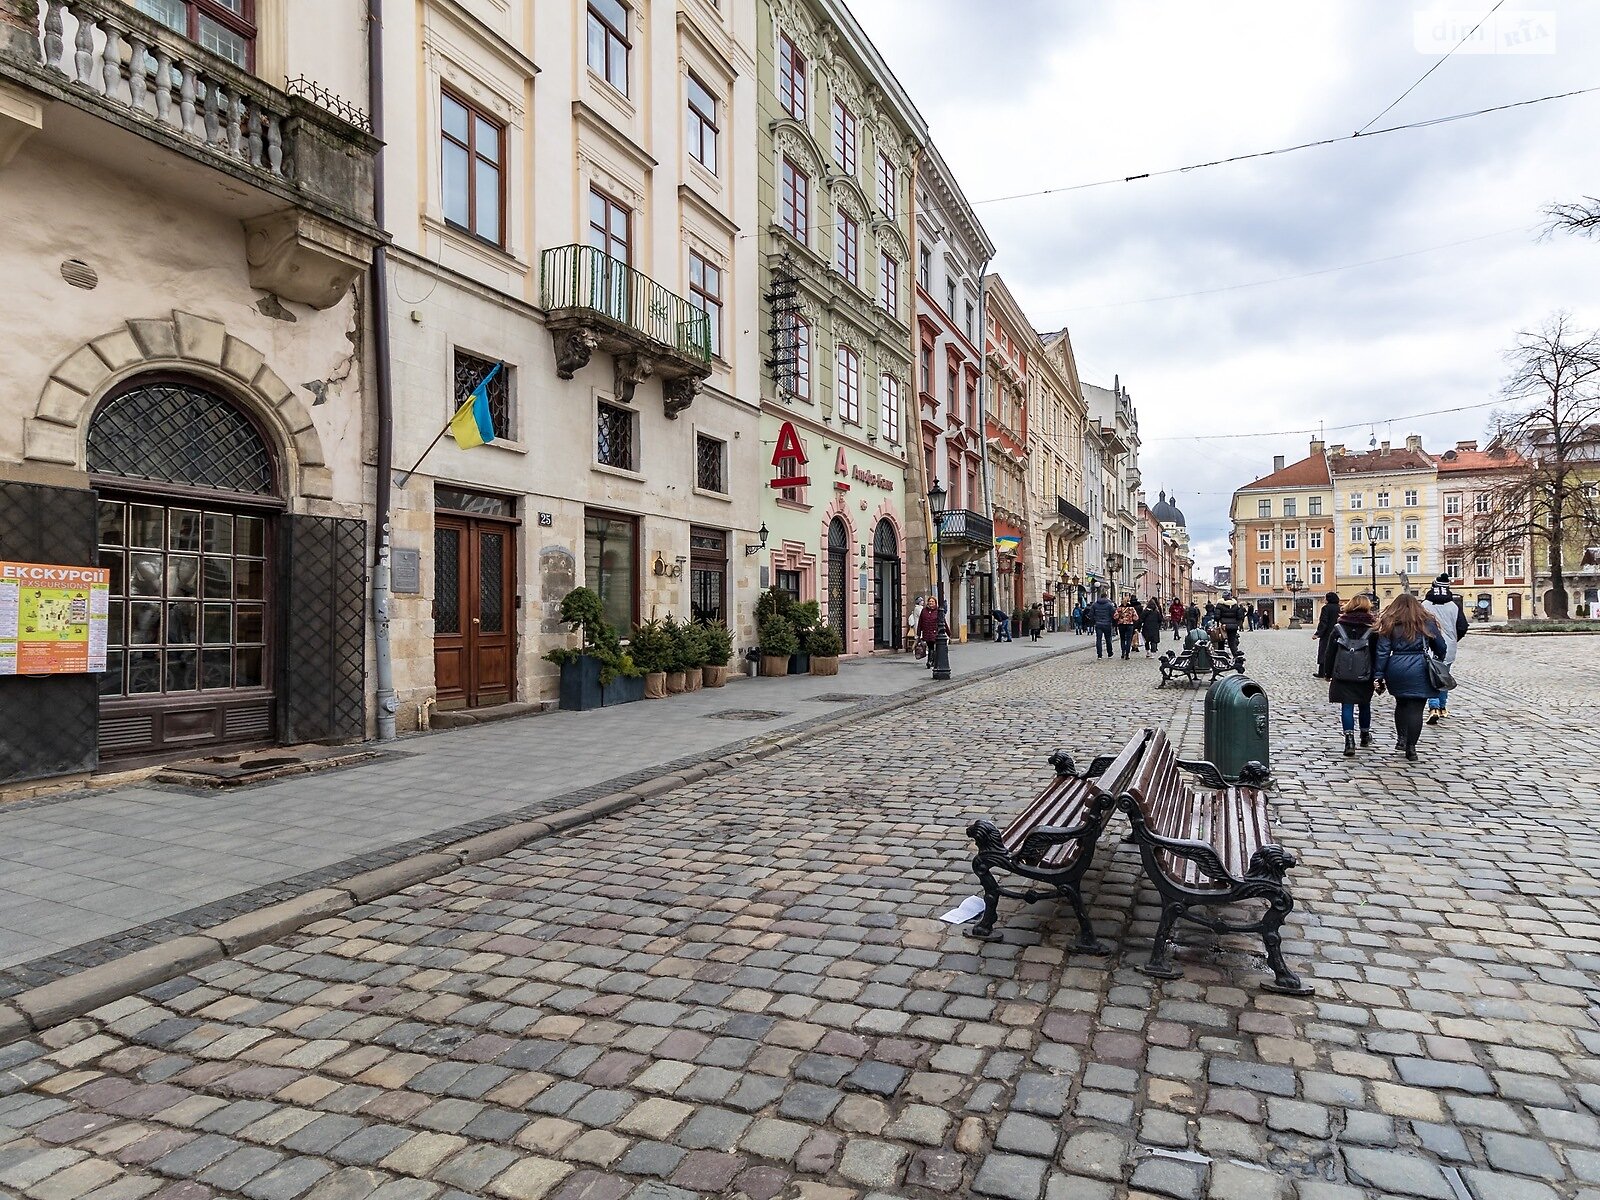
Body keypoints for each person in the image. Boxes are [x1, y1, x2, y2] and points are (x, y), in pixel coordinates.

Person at [1374, 593, 1447, 761]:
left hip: (1396, 666)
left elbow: (1383, 651)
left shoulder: (1390, 622)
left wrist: (1379, 674)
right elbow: (1441, 646)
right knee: (1416, 709)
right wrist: (1438, 660)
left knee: (1401, 703)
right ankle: (1411, 748)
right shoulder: (1426, 621)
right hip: (1419, 666)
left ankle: (1401, 739)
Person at [1327, 594, 1377, 757]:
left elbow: (1330, 653)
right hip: (1365, 672)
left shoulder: (1339, 627)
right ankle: (1364, 735)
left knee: (1347, 706)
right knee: (1364, 704)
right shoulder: (1372, 628)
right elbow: (1377, 653)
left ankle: (1349, 740)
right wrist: (1378, 674)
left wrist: (1328, 673)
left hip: (1342, 673)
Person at [1421, 573, 1468, 723]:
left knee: (1431, 677)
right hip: (1449, 647)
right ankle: (1442, 707)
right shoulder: (1454, 606)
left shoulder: (1424, 605)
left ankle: (1433, 706)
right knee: (1443, 676)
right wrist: (1454, 639)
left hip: (1428, 646)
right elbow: (1462, 627)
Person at [1312, 590, 1341, 679]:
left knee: (1324, 652)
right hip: (1338, 633)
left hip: (1327, 633)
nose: (1324, 599)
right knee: (1335, 652)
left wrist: (1317, 634)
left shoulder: (1326, 608)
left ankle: (1322, 672)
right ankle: (1334, 672)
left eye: (1325, 598)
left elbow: (1323, 622)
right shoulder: (1339, 608)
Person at [1214, 592, 1246, 657]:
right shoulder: (1235, 605)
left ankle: (1221, 655)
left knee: (1221, 640)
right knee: (1232, 641)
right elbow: (1239, 616)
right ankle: (1235, 654)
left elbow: (1217, 617)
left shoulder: (1219, 605)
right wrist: (1236, 623)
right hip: (1233, 626)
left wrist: (1218, 622)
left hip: (1223, 626)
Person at [919, 597, 947, 670]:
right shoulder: (924, 611)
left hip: (935, 632)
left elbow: (944, 622)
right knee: (930, 647)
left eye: (932, 601)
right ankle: (931, 661)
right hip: (927, 632)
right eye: (929, 601)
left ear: (935, 603)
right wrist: (919, 633)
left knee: (933, 647)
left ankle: (931, 661)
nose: (931, 603)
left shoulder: (938, 611)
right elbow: (920, 622)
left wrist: (948, 633)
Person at [1088, 591, 1116, 659]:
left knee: (1098, 639)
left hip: (1098, 624)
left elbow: (1091, 614)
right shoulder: (1109, 605)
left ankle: (1099, 655)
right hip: (1107, 624)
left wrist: (1094, 620)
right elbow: (1113, 614)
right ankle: (1109, 653)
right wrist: (1113, 622)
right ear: (1106, 597)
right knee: (1108, 639)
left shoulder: (1095, 604)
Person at [1114, 594, 1140, 660]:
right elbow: (1136, 617)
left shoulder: (1119, 608)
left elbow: (1115, 616)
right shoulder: (1131, 608)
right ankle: (1127, 654)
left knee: (1122, 639)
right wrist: (1131, 618)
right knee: (1129, 639)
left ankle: (1123, 652)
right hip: (1129, 625)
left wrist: (1120, 618)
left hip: (1121, 625)